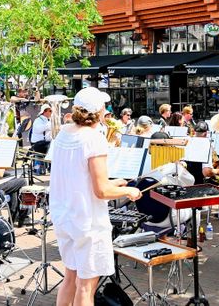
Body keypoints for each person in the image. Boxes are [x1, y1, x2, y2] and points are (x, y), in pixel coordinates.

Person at [49, 87, 141, 305]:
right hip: (87, 221)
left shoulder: (63, 133)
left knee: (69, 278)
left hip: (65, 215)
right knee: (86, 286)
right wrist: (128, 190)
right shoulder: (94, 139)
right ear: (98, 112)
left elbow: (77, 176)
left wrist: (113, 183)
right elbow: (101, 191)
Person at [30, 104, 53, 175]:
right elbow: (39, 130)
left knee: (54, 144)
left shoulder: (47, 120)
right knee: (52, 146)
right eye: (50, 111)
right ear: (44, 112)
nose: (51, 112)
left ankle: (51, 167)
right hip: (37, 144)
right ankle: (51, 168)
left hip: (43, 143)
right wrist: (51, 124)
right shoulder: (38, 120)